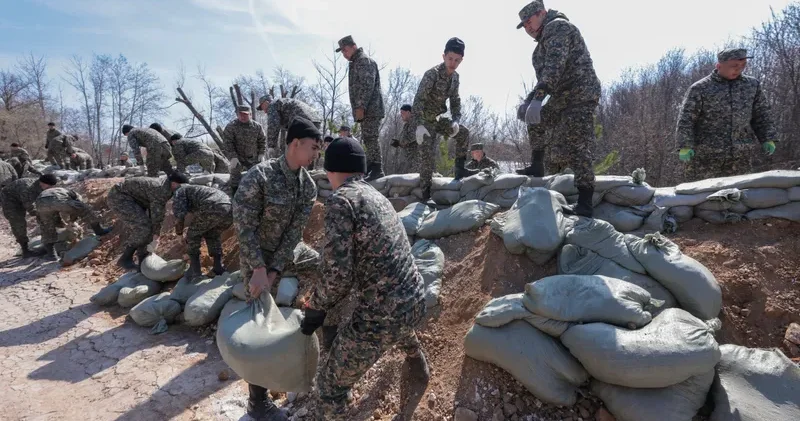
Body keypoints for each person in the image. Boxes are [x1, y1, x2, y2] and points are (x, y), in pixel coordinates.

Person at [301, 137, 430, 420]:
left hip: (382, 317)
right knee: (398, 316)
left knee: (328, 389)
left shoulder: (341, 201)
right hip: (415, 300)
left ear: (330, 170)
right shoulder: (376, 195)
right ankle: (417, 362)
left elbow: (337, 275)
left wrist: (316, 307)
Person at [232, 117, 323, 421]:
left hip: (280, 257)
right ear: (295, 143)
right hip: (253, 255)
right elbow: (243, 226)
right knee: (259, 321)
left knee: (322, 267)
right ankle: (257, 403)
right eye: (313, 148)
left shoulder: (307, 186)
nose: (316, 154)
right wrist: (259, 268)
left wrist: (274, 269)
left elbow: (294, 233)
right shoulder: (260, 176)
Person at [514, 0, 601, 218]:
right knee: (533, 117)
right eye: (524, 25)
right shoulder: (542, 42)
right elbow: (544, 78)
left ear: (542, 13)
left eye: (529, 21)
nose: (527, 28)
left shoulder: (558, 27)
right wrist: (529, 101)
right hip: (562, 97)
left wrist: (538, 98)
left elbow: (554, 67)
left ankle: (585, 202)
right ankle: (537, 164)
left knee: (577, 142)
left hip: (580, 93)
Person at [676, 48, 778, 181]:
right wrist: (685, 145)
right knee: (705, 192)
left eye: (743, 65)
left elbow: (762, 114)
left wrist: (767, 138)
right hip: (706, 157)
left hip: (741, 155)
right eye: (734, 66)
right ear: (719, 66)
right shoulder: (700, 88)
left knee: (739, 191)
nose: (738, 69)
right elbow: (686, 119)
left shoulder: (752, 86)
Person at [412, 38, 469, 198]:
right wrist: (419, 124)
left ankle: (460, 172)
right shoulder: (432, 74)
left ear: (461, 60)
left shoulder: (455, 77)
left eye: (457, 60)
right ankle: (425, 194)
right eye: (450, 58)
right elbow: (418, 101)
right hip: (423, 121)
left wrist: (456, 120)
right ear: (444, 56)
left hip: (438, 120)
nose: (453, 63)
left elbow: (455, 100)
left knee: (463, 133)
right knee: (427, 155)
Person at [107, 173, 189, 270]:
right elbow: (157, 214)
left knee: (149, 228)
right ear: (174, 184)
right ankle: (125, 258)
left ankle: (143, 260)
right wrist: (156, 236)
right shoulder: (160, 190)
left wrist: (154, 234)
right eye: (181, 186)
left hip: (135, 199)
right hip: (119, 197)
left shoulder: (168, 187)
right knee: (143, 227)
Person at [337, 35, 386, 181]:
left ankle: (377, 168)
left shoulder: (363, 61)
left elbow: (366, 85)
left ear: (354, 46)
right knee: (367, 138)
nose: (344, 54)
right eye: (342, 52)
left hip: (371, 108)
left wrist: (360, 106)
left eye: (345, 50)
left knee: (371, 137)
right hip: (367, 109)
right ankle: (372, 165)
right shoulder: (356, 62)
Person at [35, 174, 112, 261]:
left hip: (40, 203)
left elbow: (47, 212)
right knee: (86, 210)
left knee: (46, 227)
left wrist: (59, 222)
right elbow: (78, 200)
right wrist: (73, 218)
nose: (41, 186)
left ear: (46, 184)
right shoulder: (62, 189)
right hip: (58, 200)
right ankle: (99, 230)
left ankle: (51, 255)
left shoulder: (42, 193)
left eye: (42, 184)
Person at [173, 184, 232, 278]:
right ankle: (218, 267)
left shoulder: (179, 192)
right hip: (229, 209)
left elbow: (179, 216)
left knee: (192, 235)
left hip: (212, 206)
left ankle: (195, 270)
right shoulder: (198, 189)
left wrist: (179, 233)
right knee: (212, 234)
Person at [222, 105, 268, 195]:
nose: (243, 117)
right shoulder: (231, 126)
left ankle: (259, 195)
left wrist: (261, 153)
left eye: (245, 114)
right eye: (240, 114)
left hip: (253, 157)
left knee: (259, 175)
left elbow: (262, 140)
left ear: (250, 114)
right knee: (235, 177)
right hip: (237, 157)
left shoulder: (257, 126)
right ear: (237, 115)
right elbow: (227, 142)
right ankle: (235, 195)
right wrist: (233, 157)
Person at [1, 177, 48, 258]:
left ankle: (47, 243)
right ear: (42, 183)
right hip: (9, 200)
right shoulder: (27, 189)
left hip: (19, 196)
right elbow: (31, 209)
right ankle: (25, 250)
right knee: (18, 223)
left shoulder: (43, 185)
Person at [390, 104, 419, 174]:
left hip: (416, 159)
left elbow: (412, 137)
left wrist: (400, 142)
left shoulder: (415, 122)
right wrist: (398, 143)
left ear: (408, 112)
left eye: (402, 113)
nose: (401, 115)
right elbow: (405, 141)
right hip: (409, 159)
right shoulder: (406, 125)